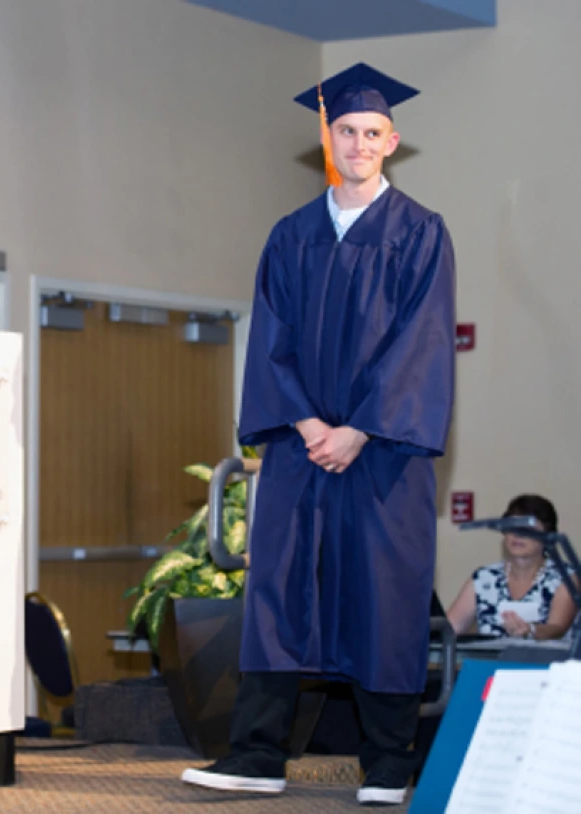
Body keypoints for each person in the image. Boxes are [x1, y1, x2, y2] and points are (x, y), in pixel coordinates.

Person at [181, 63, 455, 807]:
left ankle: (390, 764)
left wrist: (360, 428)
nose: (359, 143)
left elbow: (421, 344)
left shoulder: (421, 234)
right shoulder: (291, 235)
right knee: (279, 592)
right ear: (327, 139)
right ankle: (257, 755)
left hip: (384, 454)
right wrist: (307, 425)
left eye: (372, 133)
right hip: (302, 450)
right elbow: (269, 339)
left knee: (383, 596)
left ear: (391, 142)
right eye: (346, 132)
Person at [447, 494, 577, 640]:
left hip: (546, 662)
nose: (517, 535)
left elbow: (558, 628)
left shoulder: (565, 577)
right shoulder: (484, 577)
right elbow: (450, 628)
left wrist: (531, 630)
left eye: (527, 528)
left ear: (547, 535)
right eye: (512, 527)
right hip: (487, 662)